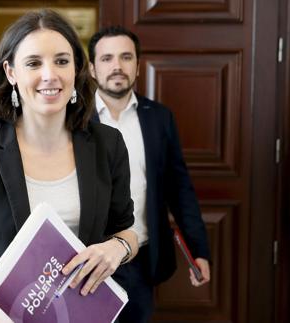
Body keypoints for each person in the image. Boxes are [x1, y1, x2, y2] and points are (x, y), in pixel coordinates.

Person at [0, 10, 138, 323]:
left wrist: (119, 248)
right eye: (33, 63)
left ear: (77, 69)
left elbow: (124, 228)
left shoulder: (108, 145)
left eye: (62, 61)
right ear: (10, 71)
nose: (49, 74)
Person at [87, 26, 212, 322]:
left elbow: (179, 188)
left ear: (138, 66)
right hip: (86, 260)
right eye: (106, 58)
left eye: (125, 57)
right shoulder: (73, 119)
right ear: (92, 68)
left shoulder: (159, 117)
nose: (117, 66)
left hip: (141, 259)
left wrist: (199, 250)